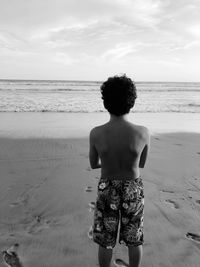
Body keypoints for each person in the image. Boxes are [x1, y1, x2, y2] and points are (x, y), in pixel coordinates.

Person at [89, 74, 150, 267]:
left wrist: (106, 164)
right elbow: (141, 164)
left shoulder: (97, 132)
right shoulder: (143, 132)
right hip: (133, 188)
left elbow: (93, 164)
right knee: (134, 236)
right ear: (131, 102)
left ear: (105, 102)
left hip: (107, 189)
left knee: (105, 239)